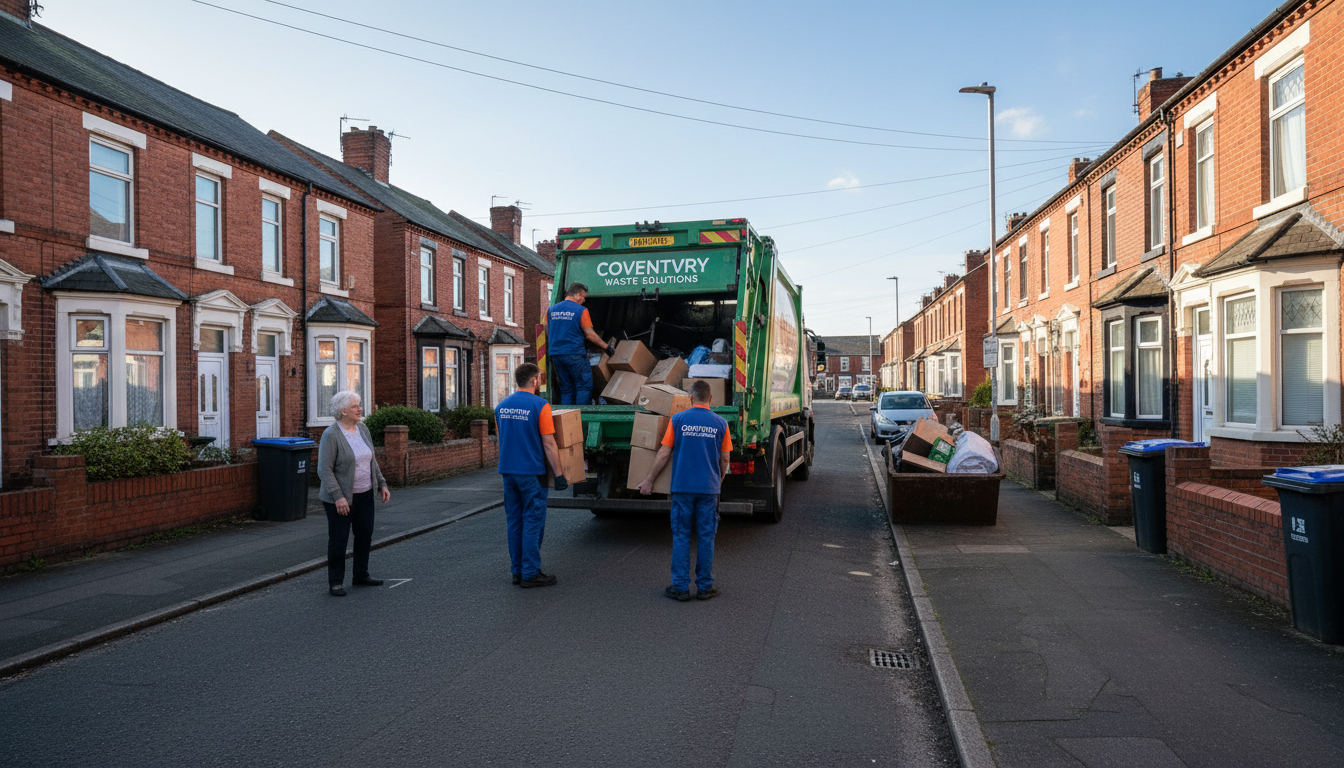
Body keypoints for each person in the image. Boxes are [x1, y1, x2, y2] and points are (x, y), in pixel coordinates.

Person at [637, 379, 732, 601]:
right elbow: (725, 459)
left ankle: (680, 587)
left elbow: (663, 453)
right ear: (710, 398)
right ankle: (705, 587)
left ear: (690, 398)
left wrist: (649, 480)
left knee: (681, 536)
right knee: (707, 536)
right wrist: (717, 481)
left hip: (682, 488)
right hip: (709, 489)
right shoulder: (721, 423)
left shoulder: (678, 419)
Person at [496, 363, 568, 587]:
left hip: (508, 472)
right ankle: (530, 573)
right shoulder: (540, 406)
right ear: (535, 380)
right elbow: (549, 443)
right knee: (532, 522)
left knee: (514, 521)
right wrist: (559, 475)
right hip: (531, 473)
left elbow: (501, 441)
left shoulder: (501, 406)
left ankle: (517, 571)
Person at [317, 390, 391, 597]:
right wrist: (338, 497)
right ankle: (335, 582)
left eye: (359, 405)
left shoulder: (362, 428)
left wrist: (381, 483)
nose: (360, 409)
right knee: (339, 540)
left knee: (364, 536)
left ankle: (360, 575)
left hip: (365, 494)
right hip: (340, 499)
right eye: (355, 406)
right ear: (343, 411)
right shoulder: (331, 435)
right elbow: (324, 470)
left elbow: (371, 459)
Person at [547, 282, 616, 405]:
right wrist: (607, 347)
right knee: (583, 386)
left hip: (556, 355)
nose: (584, 300)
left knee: (566, 389)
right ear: (578, 294)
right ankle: (582, 419)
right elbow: (590, 334)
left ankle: (566, 420)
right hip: (574, 354)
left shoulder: (551, 310)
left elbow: (547, 329)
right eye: (583, 297)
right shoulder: (581, 310)